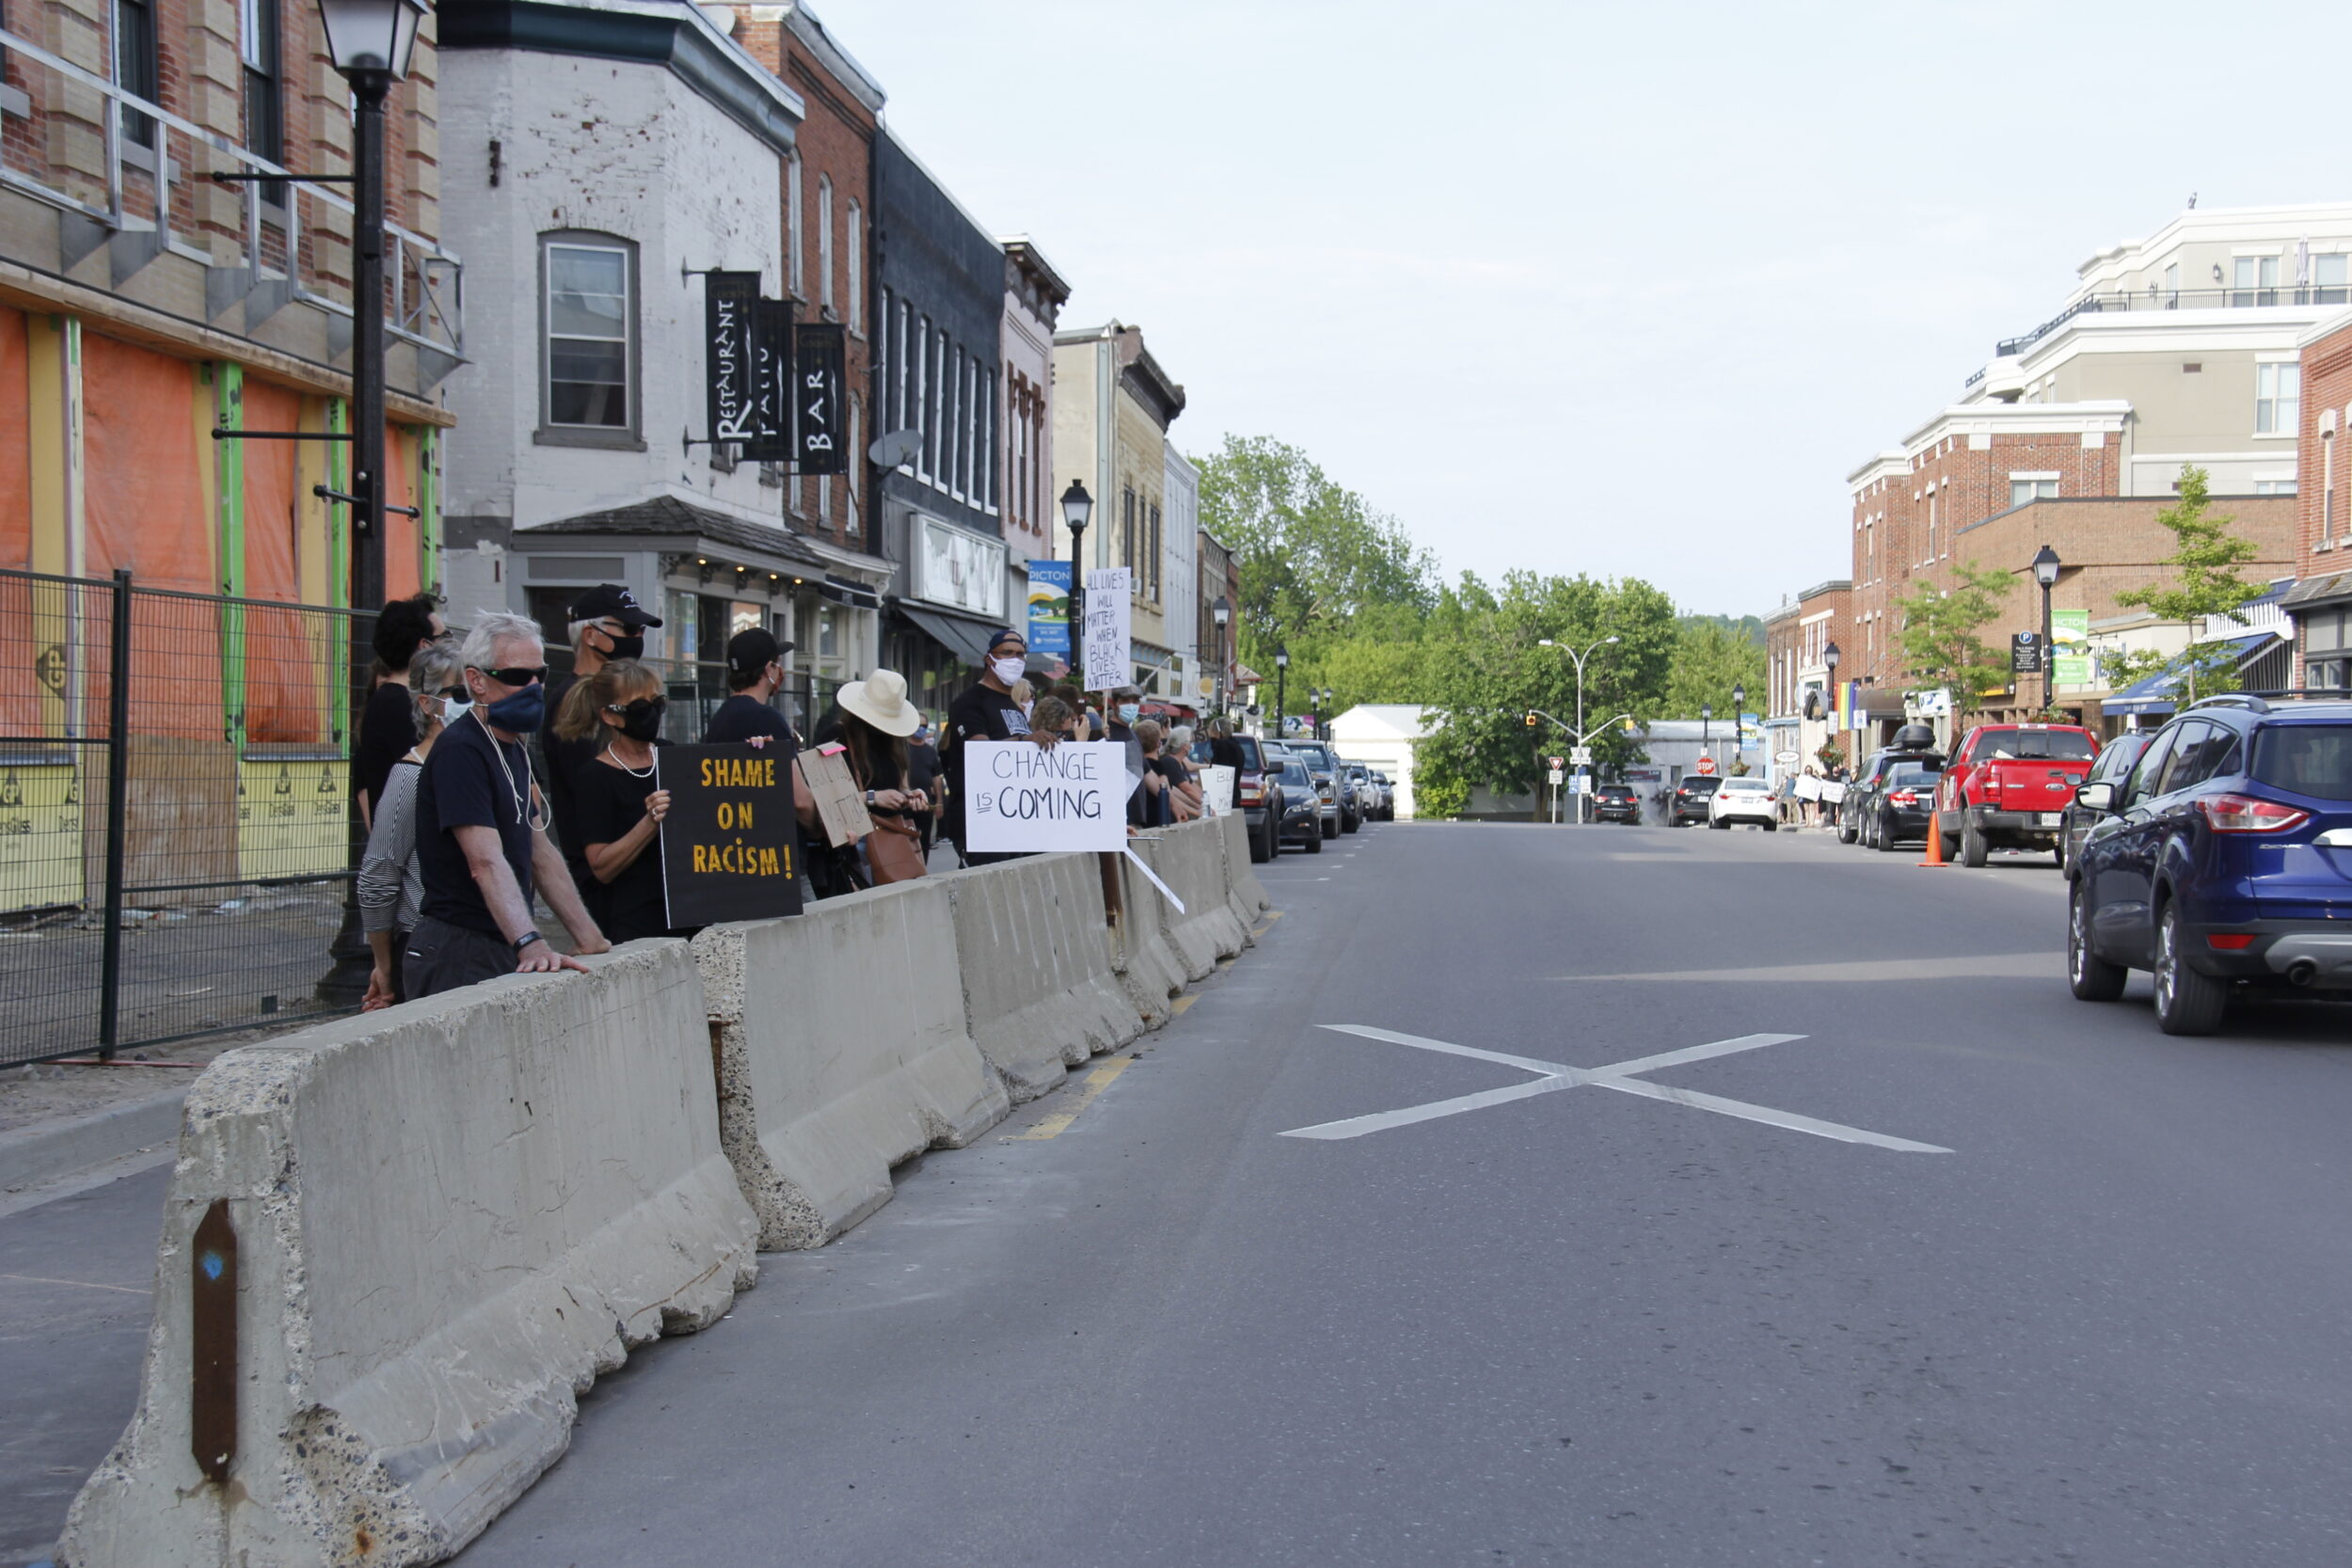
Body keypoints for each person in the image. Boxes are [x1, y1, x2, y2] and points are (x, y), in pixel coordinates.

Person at [407, 610, 610, 998]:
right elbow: (484, 861)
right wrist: (530, 943)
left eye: (540, 675)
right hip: (460, 945)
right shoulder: (462, 750)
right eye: (518, 676)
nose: (533, 687)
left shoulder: (511, 746)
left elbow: (539, 851)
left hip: (498, 939)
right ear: (476, 681)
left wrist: (590, 937)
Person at [554, 659, 693, 943]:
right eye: (641, 708)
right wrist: (649, 822)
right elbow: (601, 866)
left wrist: (757, 752)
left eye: (658, 704)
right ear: (610, 716)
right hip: (636, 924)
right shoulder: (595, 777)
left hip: (687, 913)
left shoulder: (670, 755)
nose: (652, 714)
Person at [542, 583, 662, 906]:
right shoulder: (571, 704)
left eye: (640, 630)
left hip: (643, 880)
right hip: (606, 886)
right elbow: (594, 802)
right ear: (590, 635)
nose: (636, 637)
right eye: (627, 628)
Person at [358, 643, 462, 1010]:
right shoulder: (410, 774)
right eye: (458, 692)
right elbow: (378, 875)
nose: (473, 703)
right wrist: (384, 966)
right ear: (427, 703)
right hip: (425, 943)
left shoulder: (477, 763)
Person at [811, 670, 928, 893]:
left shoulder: (896, 742)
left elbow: (901, 786)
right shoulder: (835, 736)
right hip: (854, 845)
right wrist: (873, 797)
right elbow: (823, 798)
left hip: (893, 841)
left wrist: (910, 796)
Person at [355, 594, 445, 830]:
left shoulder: (386, 701)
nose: (451, 647)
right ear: (425, 646)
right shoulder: (400, 706)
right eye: (445, 637)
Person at [943, 628, 1033, 864]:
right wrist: (1025, 742)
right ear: (989, 658)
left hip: (1016, 819)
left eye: (1020, 654)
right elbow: (981, 754)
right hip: (981, 821)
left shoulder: (1013, 707)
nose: (1015, 660)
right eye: (1007, 653)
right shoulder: (969, 702)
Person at [704, 626, 798, 745]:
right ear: (769, 669)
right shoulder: (768, 719)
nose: (780, 669)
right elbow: (791, 763)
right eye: (778, 663)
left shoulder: (719, 719)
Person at [906, 720, 943, 855]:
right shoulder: (903, 749)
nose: (921, 729)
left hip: (925, 803)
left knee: (924, 840)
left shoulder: (930, 752)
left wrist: (938, 803)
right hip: (905, 802)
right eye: (918, 725)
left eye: (924, 726)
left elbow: (936, 777)